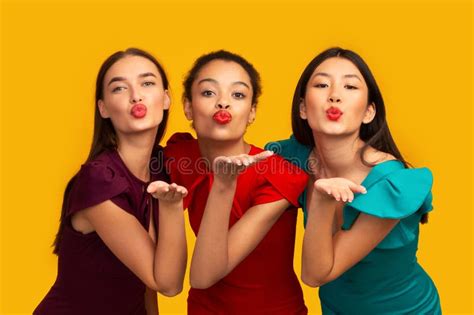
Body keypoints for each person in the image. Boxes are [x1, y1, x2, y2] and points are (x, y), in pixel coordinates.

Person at [266, 47, 441, 314]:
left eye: (350, 86)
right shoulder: (294, 158)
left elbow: (316, 275)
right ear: (303, 108)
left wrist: (323, 202)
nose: (334, 95)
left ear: (369, 112)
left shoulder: (391, 184)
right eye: (322, 84)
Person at [34, 48, 187, 315]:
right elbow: (167, 283)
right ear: (103, 108)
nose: (135, 96)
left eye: (147, 83)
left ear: (165, 99)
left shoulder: (160, 167)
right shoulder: (99, 179)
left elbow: (145, 286)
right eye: (119, 88)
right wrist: (172, 207)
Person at [164, 50, 308, 314]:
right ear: (187, 106)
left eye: (238, 95)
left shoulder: (277, 173)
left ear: (252, 112)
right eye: (208, 93)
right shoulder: (179, 156)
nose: (223, 103)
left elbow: (204, 276)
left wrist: (223, 184)